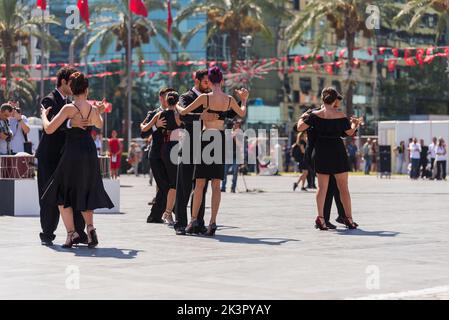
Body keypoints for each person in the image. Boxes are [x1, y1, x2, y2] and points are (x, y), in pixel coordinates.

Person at [40, 71, 113, 248]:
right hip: (89, 150)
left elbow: (49, 129)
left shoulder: (68, 108)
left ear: (71, 89)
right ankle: (90, 229)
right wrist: (99, 111)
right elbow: (100, 124)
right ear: (86, 89)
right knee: (86, 189)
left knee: (60, 193)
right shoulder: (92, 108)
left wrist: (44, 115)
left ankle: (71, 234)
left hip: (72, 152)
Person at [177, 67, 248, 236]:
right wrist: (244, 100)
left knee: (200, 184)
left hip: (205, 140)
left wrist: (178, 107)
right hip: (220, 140)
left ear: (209, 80)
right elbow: (241, 114)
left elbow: (185, 112)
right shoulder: (229, 99)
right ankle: (212, 222)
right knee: (216, 185)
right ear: (222, 81)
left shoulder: (204, 98)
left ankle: (193, 220)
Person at [36, 67, 90, 246]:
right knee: (48, 195)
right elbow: (50, 127)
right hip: (49, 157)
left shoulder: (72, 103)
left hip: (67, 156)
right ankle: (47, 234)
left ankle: (78, 233)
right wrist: (69, 122)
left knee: (73, 194)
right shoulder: (49, 99)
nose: (74, 86)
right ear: (64, 82)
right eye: (71, 82)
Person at [297, 87, 362, 230]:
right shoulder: (340, 115)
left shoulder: (314, 115)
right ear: (334, 101)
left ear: (322, 98)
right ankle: (349, 219)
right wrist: (355, 124)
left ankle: (321, 218)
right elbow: (349, 132)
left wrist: (303, 116)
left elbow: (299, 128)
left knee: (322, 187)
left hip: (321, 151)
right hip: (337, 150)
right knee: (343, 187)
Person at [142, 91, 183, 225]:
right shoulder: (154, 113)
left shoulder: (165, 114)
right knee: (167, 186)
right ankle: (171, 213)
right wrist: (155, 126)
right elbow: (143, 132)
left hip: (167, 152)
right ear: (161, 98)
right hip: (157, 155)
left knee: (168, 185)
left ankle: (159, 215)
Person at [222, 121, 243, 193]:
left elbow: (240, 145)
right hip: (227, 156)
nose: (235, 126)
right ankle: (223, 187)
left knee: (234, 173)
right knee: (224, 172)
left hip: (236, 156)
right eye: (234, 125)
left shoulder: (240, 134)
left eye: (237, 125)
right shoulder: (228, 132)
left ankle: (233, 188)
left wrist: (235, 137)